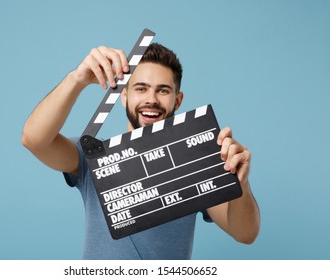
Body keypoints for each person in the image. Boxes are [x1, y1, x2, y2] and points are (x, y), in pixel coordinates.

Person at [21, 42, 260, 259]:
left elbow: (245, 233)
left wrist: (242, 182)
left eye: (163, 90)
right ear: (124, 96)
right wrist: (77, 79)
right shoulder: (94, 157)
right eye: (141, 88)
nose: (152, 99)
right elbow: (34, 140)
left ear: (177, 101)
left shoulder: (194, 163)